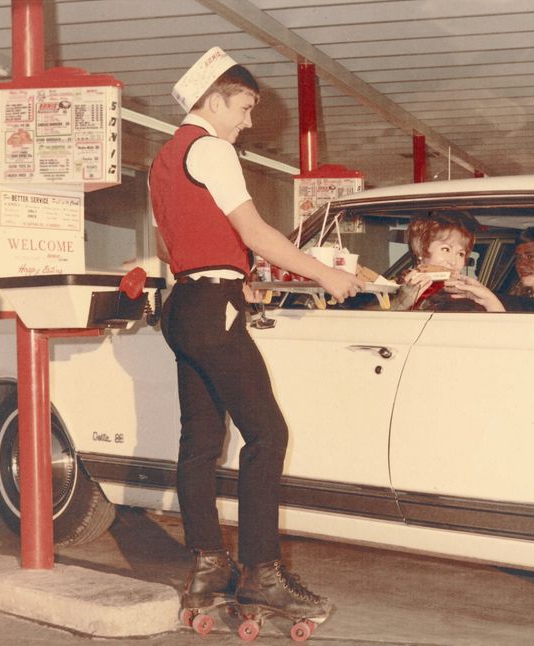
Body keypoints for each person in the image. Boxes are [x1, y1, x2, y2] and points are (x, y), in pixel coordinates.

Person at [149, 46, 362, 628]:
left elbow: (173, 247)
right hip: (212, 304)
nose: (246, 123)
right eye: (243, 107)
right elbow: (254, 231)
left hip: (184, 305)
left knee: (200, 439)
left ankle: (207, 570)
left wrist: (233, 278)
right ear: (214, 99)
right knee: (267, 434)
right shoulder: (211, 149)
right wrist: (325, 274)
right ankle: (263, 575)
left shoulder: (164, 159)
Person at [390, 211, 485, 311]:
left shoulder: (465, 295)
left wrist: (490, 300)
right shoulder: (395, 287)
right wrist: (399, 303)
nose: (453, 262)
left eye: (461, 254)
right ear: (421, 249)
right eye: (446, 249)